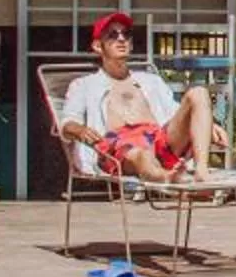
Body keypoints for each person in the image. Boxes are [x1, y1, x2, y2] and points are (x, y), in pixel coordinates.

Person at [55, 11, 216, 185]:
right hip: (119, 147)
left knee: (199, 92)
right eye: (112, 35)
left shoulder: (150, 80)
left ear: (131, 44)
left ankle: (201, 171)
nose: (121, 39)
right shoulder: (84, 85)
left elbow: (177, 113)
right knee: (141, 154)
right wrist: (79, 130)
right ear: (97, 46)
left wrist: (209, 124)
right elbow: (66, 124)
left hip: (160, 140)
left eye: (126, 35)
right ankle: (168, 179)